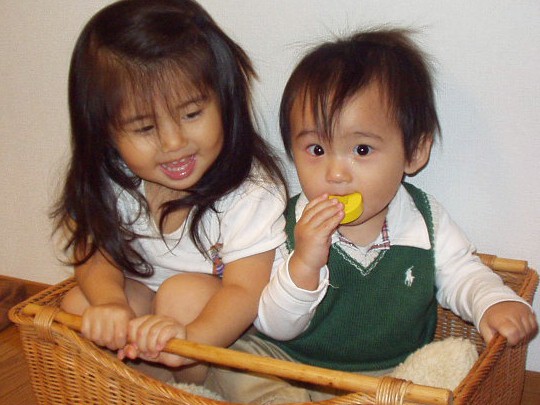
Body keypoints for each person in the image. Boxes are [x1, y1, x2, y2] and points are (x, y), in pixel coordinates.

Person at [205, 28, 538, 403]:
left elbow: (464, 272)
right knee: (233, 363)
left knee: (451, 364)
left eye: (361, 150)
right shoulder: (284, 224)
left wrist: (494, 302)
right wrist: (304, 264)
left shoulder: (424, 220)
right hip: (288, 365)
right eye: (316, 149)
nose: (336, 173)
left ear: (414, 152)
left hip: (388, 375)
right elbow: (276, 327)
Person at [53, 0, 287, 384]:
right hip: (150, 312)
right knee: (80, 304)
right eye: (144, 128)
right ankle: (146, 390)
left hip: (221, 330)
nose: (174, 142)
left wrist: (190, 340)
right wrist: (110, 303)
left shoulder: (249, 190)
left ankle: (188, 391)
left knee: (182, 294)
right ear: (104, 132)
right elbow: (94, 251)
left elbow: (245, 291)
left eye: (192, 114)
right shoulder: (113, 177)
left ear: (225, 101)